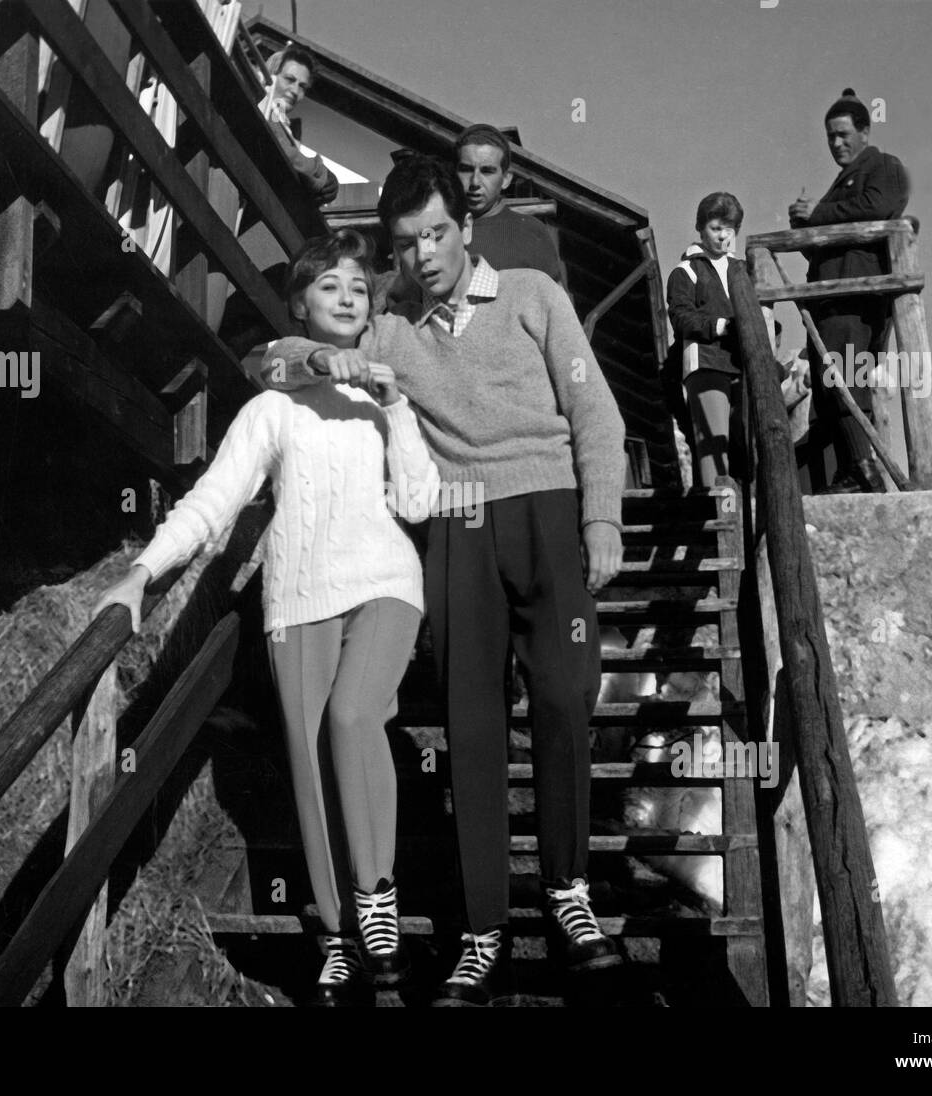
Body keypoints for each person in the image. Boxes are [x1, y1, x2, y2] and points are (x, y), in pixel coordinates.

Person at [261, 156, 626, 1006]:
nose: (423, 255)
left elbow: (595, 412)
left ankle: (569, 894)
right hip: (459, 527)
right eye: (405, 244)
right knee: (471, 722)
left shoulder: (534, 293)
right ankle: (483, 929)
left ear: (463, 227)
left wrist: (601, 519)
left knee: (567, 696)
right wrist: (323, 354)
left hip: (547, 505)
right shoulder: (391, 330)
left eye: (434, 234)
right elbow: (271, 357)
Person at [93, 230, 439, 1007]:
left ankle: (376, 903)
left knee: (353, 718)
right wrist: (142, 574)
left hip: (385, 582)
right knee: (311, 770)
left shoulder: (384, 401)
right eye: (330, 288)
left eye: (358, 288)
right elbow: (215, 501)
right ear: (301, 306)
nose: (348, 298)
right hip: (296, 600)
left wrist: (397, 408)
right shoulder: (271, 408)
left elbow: (418, 502)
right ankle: (339, 936)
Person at [788, 88, 909, 493]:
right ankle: (851, 470)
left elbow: (879, 205)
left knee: (843, 380)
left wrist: (818, 214)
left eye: (843, 134)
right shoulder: (839, 187)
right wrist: (804, 227)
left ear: (864, 131)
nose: (836, 144)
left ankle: (864, 470)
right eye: (830, 137)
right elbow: (820, 248)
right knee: (828, 387)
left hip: (854, 299)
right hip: (828, 300)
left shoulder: (883, 167)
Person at [666, 192, 745, 487]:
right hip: (707, 364)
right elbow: (681, 318)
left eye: (729, 228)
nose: (722, 236)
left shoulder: (742, 269)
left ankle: (747, 519)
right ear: (700, 228)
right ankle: (721, 522)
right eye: (715, 228)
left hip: (742, 364)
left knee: (745, 446)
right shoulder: (685, 270)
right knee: (715, 449)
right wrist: (723, 326)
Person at [454, 124, 566, 286]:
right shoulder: (434, 230)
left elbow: (557, 303)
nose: (475, 182)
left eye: (487, 171)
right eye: (466, 169)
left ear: (506, 179)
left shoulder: (531, 232)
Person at [259, 46, 338, 207]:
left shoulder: (281, 118)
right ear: (270, 77)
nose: (295, 90)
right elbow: (285, 153)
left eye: (302, 86)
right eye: (289, 79)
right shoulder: (262, 106)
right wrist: (322, 174)